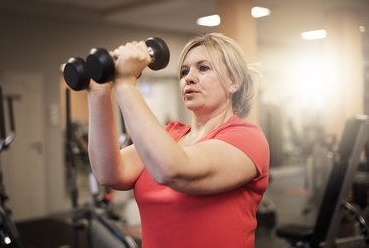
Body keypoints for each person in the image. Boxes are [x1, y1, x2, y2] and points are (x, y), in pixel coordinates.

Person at [87, 33, 270, 248]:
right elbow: (109, 173)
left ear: (234, 82)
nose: (189, 78)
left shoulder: (248, 139)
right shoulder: (168, 136)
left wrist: (126, 84)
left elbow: (173, 170)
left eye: (203, 68)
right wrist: (99, 92)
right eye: (184, 71)